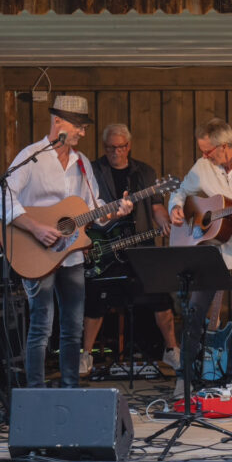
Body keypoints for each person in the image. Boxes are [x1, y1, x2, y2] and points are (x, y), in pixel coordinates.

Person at [2, 95, 132, 388]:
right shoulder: (30, 156)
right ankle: (35, 393)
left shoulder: (82, 163)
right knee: (41, 327)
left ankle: (70, 389)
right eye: (79, 126)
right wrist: (36, 228)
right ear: (58, 122)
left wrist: (115, 211)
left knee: (73, 328)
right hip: (36, 253)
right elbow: (5, 198)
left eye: (84, 127)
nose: (83, 133)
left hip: (72, 256)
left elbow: (94, 210)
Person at [169, 118, 232, 394]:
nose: (204, 156)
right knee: (194, 310)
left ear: (224, 146)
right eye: (202, 151)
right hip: (212, 248)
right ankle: (185, 377)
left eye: (208, 151)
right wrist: (176, 208)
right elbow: (181, 192)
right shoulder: (203, 166)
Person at [80, 123, 180, 376]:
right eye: (110, 148)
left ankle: (172, 350)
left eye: (121, 147)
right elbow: (83, 209)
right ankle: (86, 355)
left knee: (161, 297)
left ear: (129, 146)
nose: (116, 152)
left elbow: (157, 206)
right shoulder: (93, 170)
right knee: (95, 300)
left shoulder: (145, 173)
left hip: (140, 245)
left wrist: (165, 223)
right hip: (104, 246)